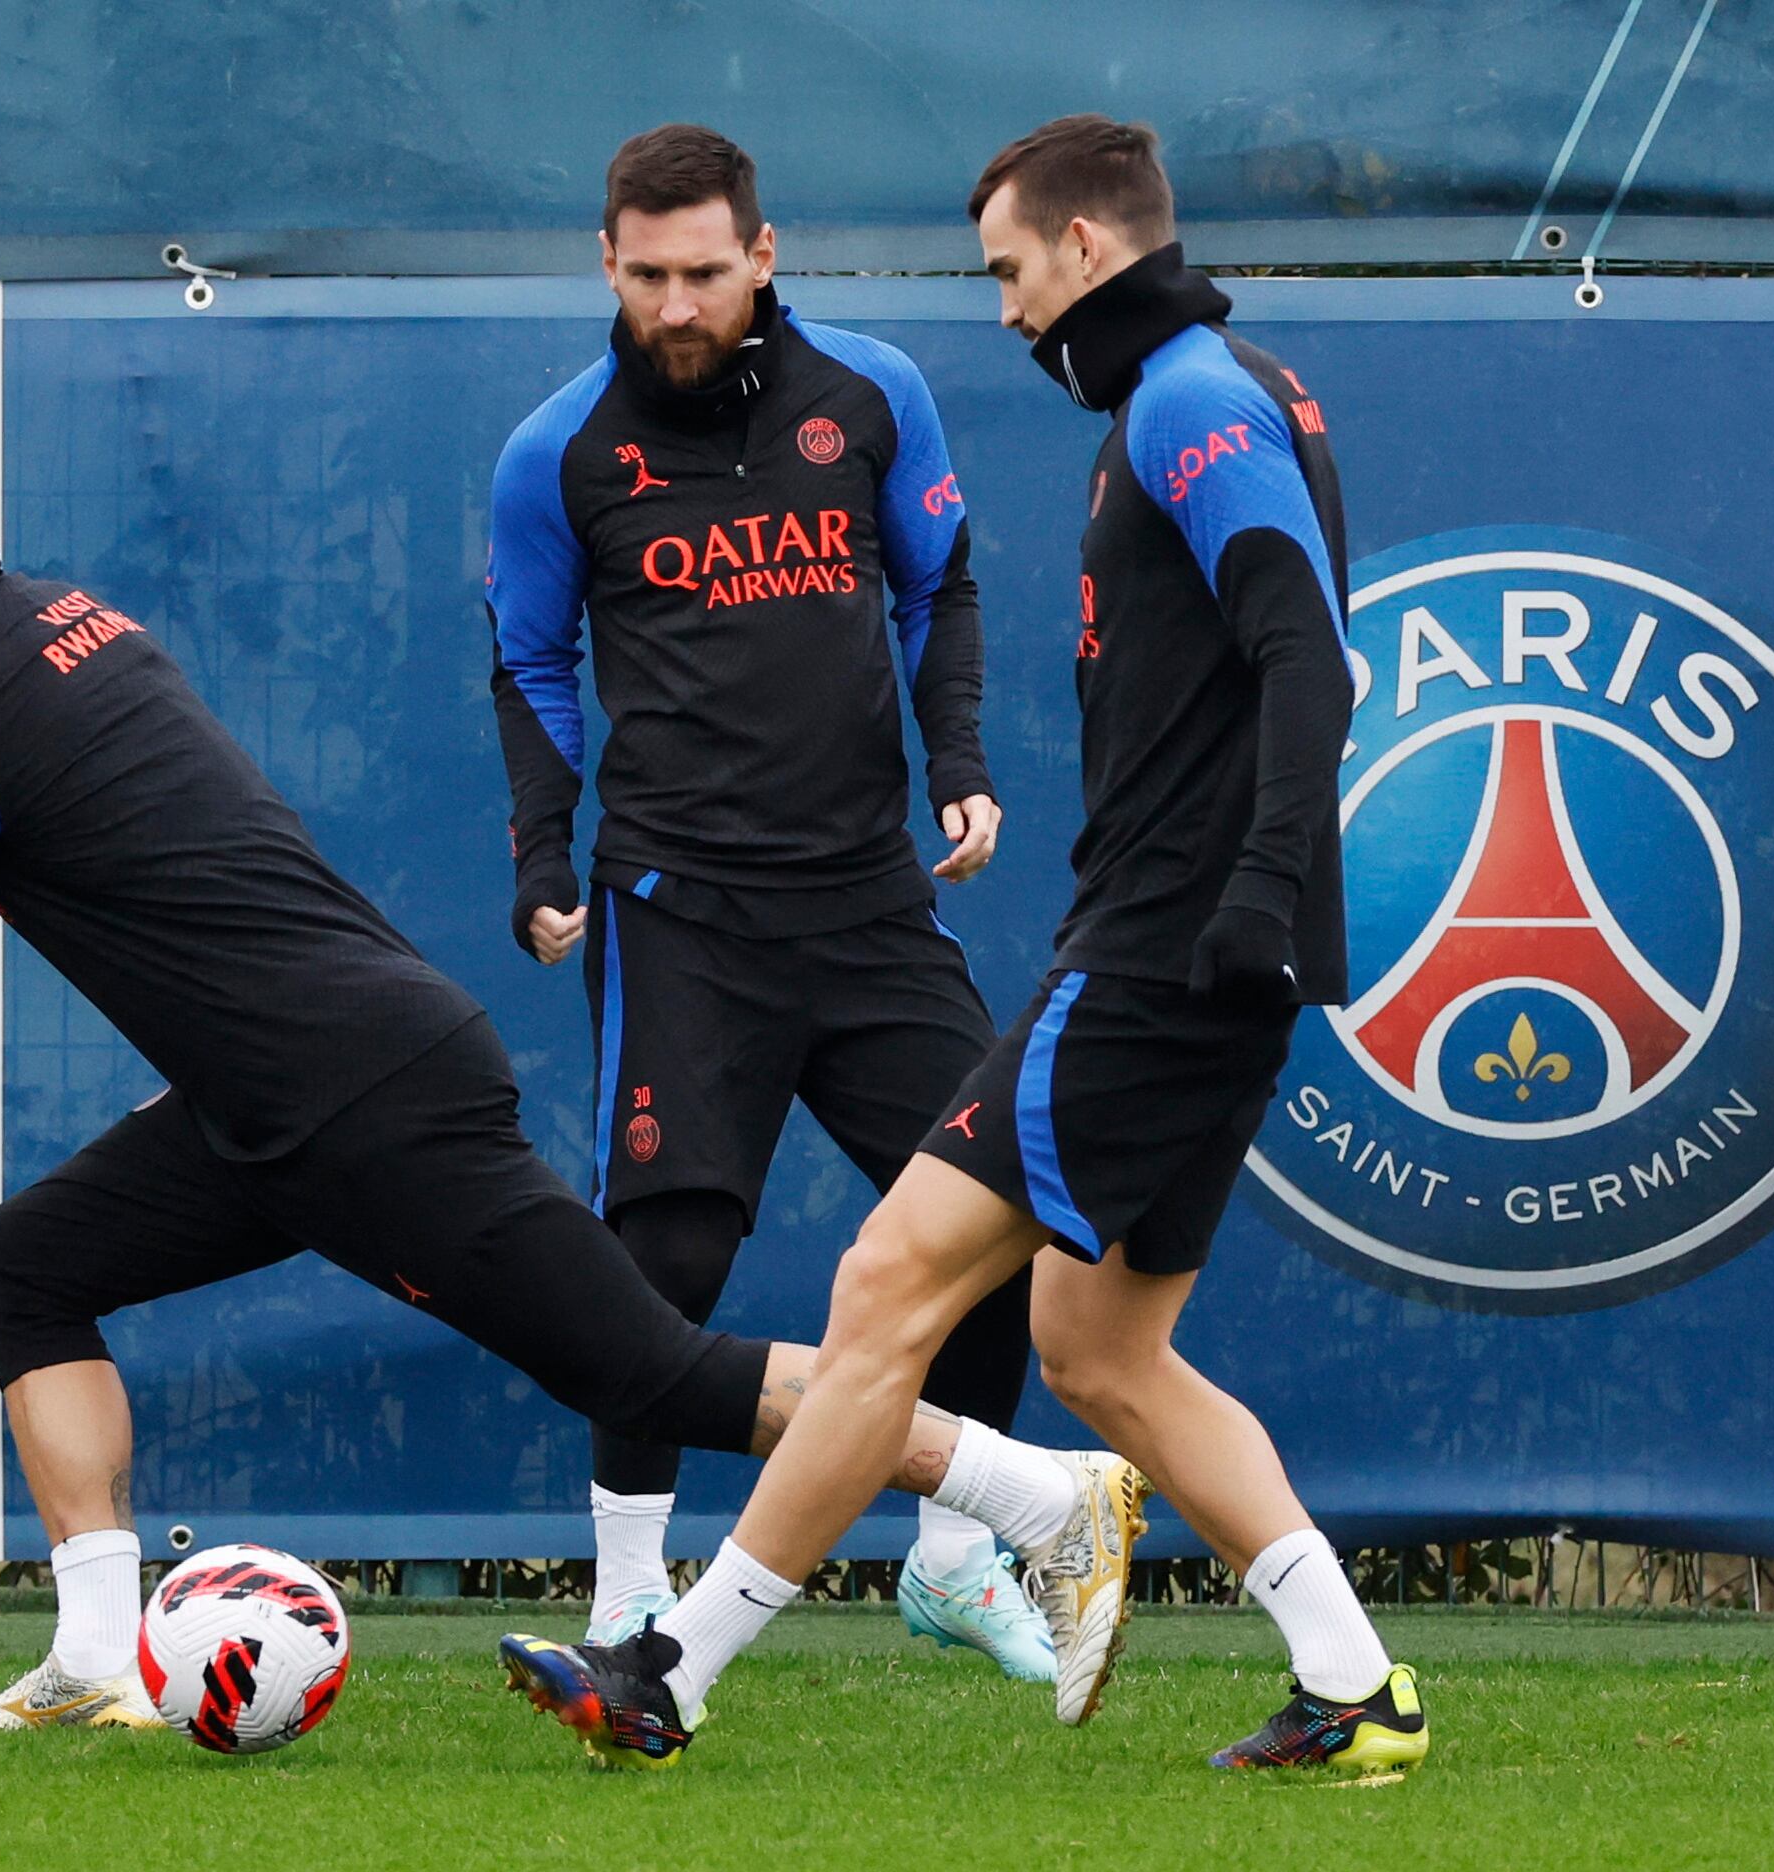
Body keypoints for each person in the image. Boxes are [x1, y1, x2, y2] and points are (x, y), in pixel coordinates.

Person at [0, 379, 1122, 1740]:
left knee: (648, 1374)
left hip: (358, 1100)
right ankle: (92, 1657)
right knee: (30, 1264)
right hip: (272, 1100)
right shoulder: (70, 622)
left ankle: (1037, 1497)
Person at [499, 116, 1428, 1775]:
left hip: (1161, 954)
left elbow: (1310, 656)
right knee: (1101, 1352)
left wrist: (1251, 888)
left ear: (1083, 246)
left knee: (883, 1287)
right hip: (1207, 953)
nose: (1002, 310)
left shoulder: (1191, 401)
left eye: (1008, 269)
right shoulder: (1213, 390)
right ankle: (1356, 1685)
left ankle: (670, 1669)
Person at [486, 122, 1046, 1673]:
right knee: (657, 1273)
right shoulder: (559, 452)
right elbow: (530, 663)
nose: (678, 305)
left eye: (706, 273)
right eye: (648, 275)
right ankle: (620, 1594)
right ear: (608, 263)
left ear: (764, 255)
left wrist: (958, 764)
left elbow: (938, 588)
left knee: (995, 1220)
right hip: (679, 913)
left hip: (868, 906)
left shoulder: (869, 398)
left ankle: (948, 1559)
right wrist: (545, 858)